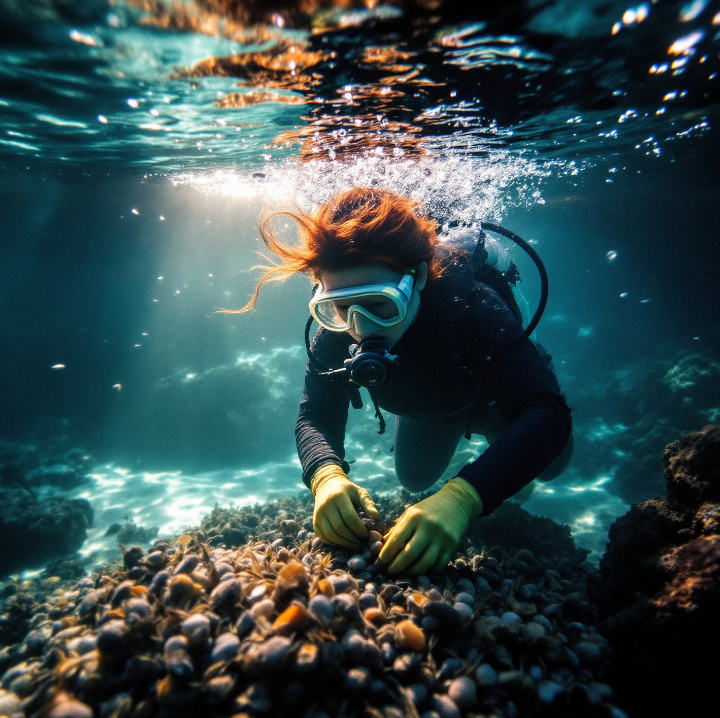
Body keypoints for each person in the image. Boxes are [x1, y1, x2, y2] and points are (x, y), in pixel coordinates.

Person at [239, 187, 573, 575]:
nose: (360, 328)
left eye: (381, 304)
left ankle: (505, 457)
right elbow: (314, 413)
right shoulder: (338, 328)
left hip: (502, 405)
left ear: (417, 280)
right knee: (414, 480)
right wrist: (325, 474)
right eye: (341, 307)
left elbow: (546, 413)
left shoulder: (472, 306)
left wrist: (465, 497)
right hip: (431, 412)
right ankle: (504, 464)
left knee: (551, 466)